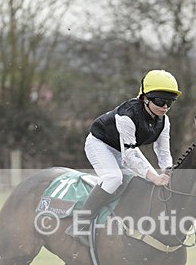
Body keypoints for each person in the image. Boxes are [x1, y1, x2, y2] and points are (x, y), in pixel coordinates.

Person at [77, 69, 181, 237]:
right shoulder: (127, 116)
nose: (165, 107)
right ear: (145, 98)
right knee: (113, 179)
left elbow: (163, 151)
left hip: (125, 148)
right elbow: (129, 157)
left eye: (170, 102)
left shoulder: (164, 121)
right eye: (161, 101)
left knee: (153, 181)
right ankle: (80, 223)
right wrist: (154, 177)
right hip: (100, 144)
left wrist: (168, 170)